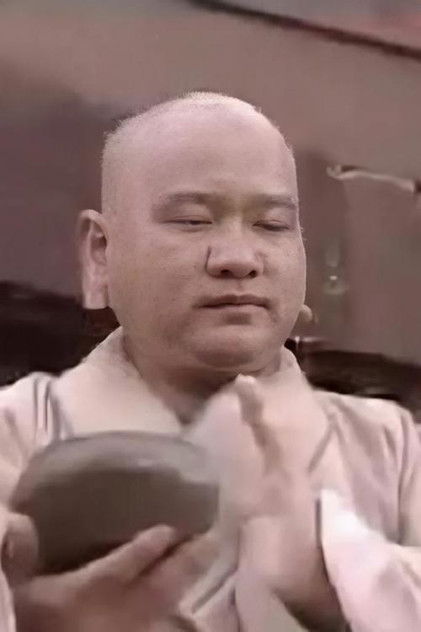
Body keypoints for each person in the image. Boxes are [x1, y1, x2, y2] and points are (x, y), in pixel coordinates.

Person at [1, 92, 421, 632]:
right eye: (193, 221)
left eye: (272, 226)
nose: (238, 259)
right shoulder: (16, 431)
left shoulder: (391, 448)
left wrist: (335, 574)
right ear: (101, 252)